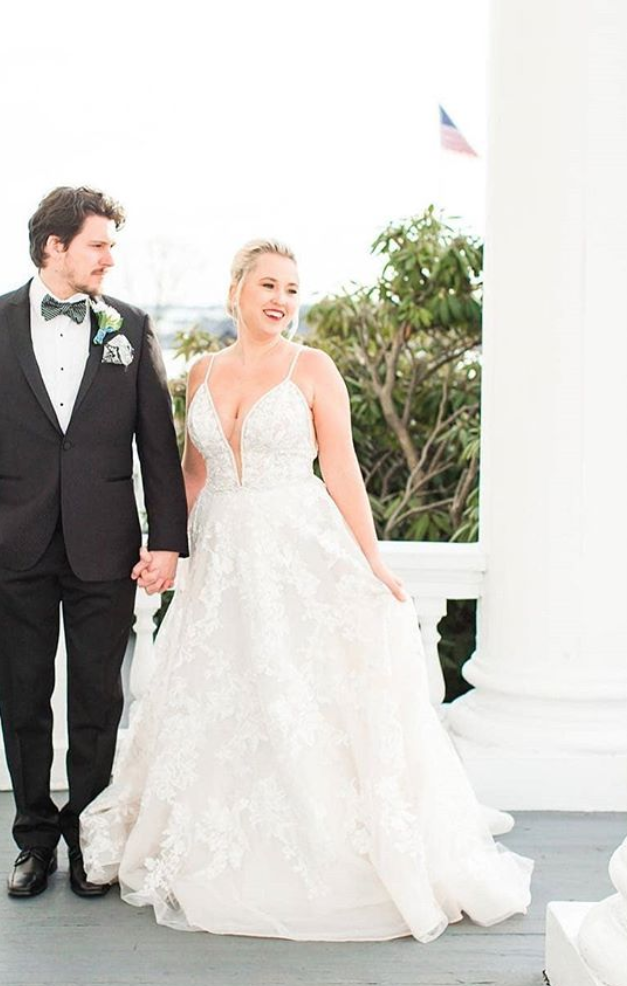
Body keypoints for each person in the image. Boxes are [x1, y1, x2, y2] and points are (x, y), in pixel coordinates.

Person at [80, 238, 533, 942]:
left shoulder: (313, 367)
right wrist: (165, 544)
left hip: (296, 547)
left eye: (292, 289)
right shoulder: (200, 371)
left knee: (297, 694)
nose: (281, 300)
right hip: (223, 559)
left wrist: (374, 563)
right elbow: (192, 476)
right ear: (237, 288)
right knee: (223, 693)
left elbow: (343, 471)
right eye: (268, 284)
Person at [0, 186, 188, 900]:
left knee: (96, 698)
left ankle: (88, 835)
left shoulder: (130, 328)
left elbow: (158, 445)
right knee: (22, 696)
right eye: (98, 244)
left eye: (110, 245)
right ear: (55, 247)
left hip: (105, 546)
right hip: (10, 544)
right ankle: (31, 839)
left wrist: (166, 540)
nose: (110, 257)